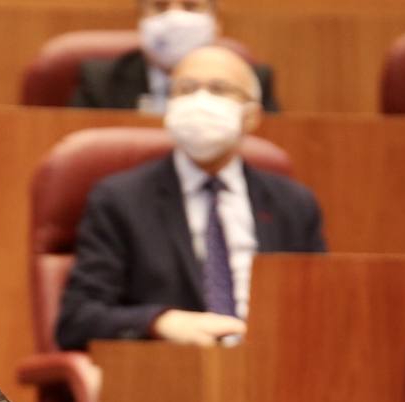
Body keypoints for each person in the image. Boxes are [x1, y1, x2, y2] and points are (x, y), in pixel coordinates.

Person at [56, 46, 325, 351]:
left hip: (274, 369)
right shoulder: (120, 201)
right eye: (185, 89)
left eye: (219, 89)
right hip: (172, 373)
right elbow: (77, 320)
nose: (200, 101)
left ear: (251, 117)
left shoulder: (293, 204)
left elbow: (320, 312)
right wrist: (160, 322)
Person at [70, 0, 280, 114]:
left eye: (190, 6)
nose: (175, 18)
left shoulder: (251, 84)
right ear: (141, 19)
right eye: (160, 7)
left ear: (216, 22)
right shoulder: (99, 83)